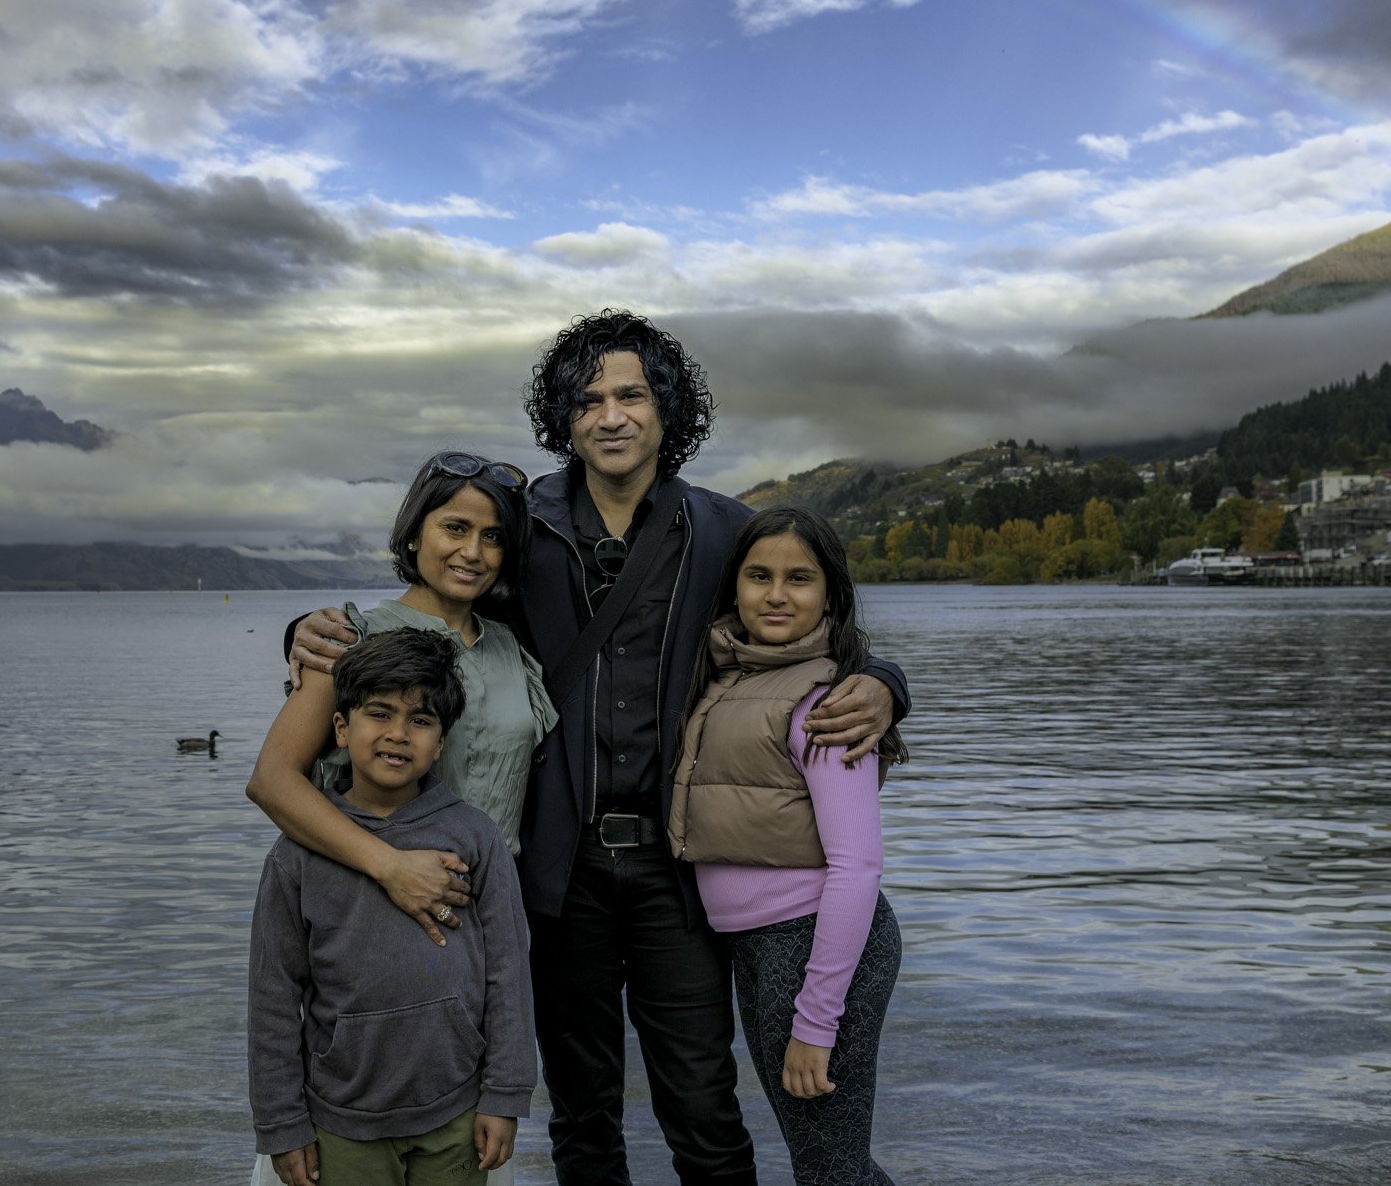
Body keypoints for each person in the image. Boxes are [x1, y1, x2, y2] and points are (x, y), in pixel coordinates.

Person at [289, 311, 909, 1186]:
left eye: (631, 394)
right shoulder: (518, 523)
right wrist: (306, 628)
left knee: (702, 1103)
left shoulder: (727, 529)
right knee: (581, 1112)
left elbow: (814, 619)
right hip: (556, 870)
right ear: (564, 417)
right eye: (587, 399)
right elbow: (434, 603)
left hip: (676, 870)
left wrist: (884, 681)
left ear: (667, 409)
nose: (610, 415)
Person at [668, 507, 906, 1186]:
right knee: (832, 1161)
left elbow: (858, 866)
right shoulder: (729, 678)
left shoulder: (827, 705)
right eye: (759, 576)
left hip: (813, 949)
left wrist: (816, 1019)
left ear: (830, 593)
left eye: (799, 578)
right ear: (734, 587)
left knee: (827, 1167)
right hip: (766, 948)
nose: (776, 594)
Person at [248, 630, 536, 1186]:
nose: (398, 735)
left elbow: (508, 973)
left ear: (441, 741)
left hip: (457, 1110)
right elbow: (273, 998)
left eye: (421, 721)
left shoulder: (475, 838)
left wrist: (506, 1092)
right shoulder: (296, 858)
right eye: (379, 714)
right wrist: (281, 1124)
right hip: (341, 1120)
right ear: (340, 727)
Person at [248, 452, 558, 945]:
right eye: (454, 528)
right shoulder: (351, 640)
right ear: (415, 533)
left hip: (493, 909)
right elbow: (272, 781)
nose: (473, 552)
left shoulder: (513, 649)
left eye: (492, 537)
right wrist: (389, 867)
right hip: (378, 898)